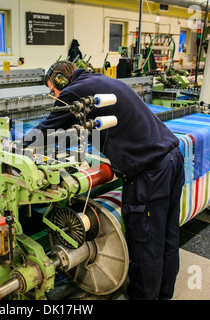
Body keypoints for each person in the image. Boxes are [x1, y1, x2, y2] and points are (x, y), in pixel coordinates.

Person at [23, 61, 185, 300]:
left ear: (60, 81)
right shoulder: (99, 81)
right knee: (167, 238)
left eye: (52, 90)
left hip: (149, 175)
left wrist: (14, 147)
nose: (53, 96)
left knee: (146, 244)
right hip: (172, 161)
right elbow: (74, 130)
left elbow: (46, 129)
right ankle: (162, 294)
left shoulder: (72, 92)